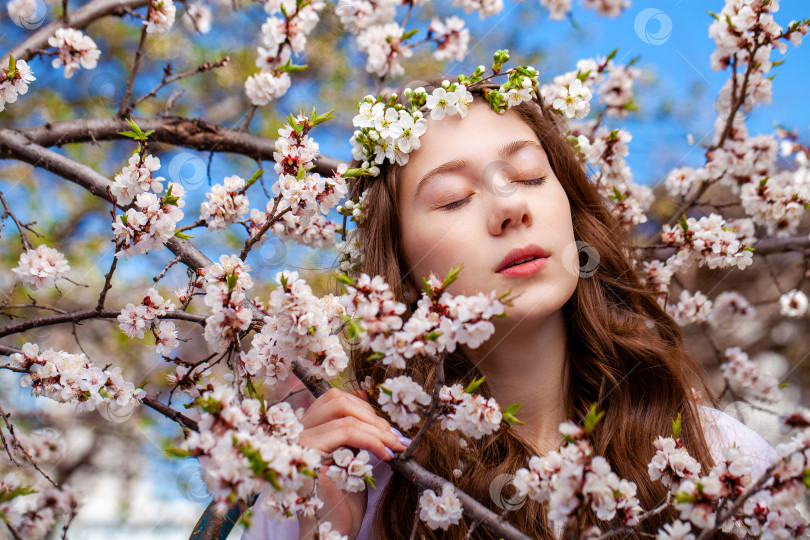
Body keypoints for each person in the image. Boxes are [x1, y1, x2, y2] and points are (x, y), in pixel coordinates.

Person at [242, 76, 779, 540]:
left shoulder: (721, 459)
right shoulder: (345, 484)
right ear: (400, 272)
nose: (509, 208)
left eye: (528, 177)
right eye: (453, 199)